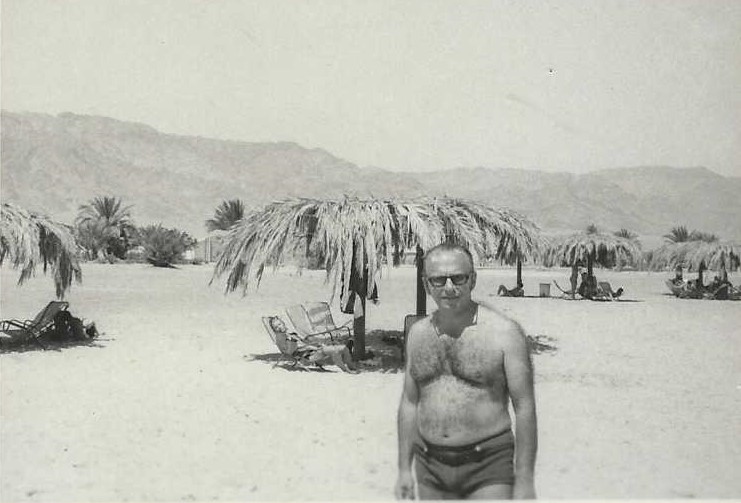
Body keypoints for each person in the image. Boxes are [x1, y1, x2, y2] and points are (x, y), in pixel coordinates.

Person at [396, 244, 537, 500]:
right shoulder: (417, 334)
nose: (449, 287)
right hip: (429, 464)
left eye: (458, 278)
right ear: (427, 285)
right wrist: (404, 468)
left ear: (472, 279)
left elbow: (524, 406)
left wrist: (525, 478)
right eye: (438, 280)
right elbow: (409, 401)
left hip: (488, 462)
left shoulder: (504, 333)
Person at [268, 316, 359, 374]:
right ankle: (346, 370)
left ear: (283, 322)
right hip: (308, 356)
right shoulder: (281, 338)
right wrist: (312, 347)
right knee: (334, 351)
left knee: (344, 348)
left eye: (279, 324)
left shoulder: (289, 334)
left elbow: (304, 343)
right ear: (275, 330)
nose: (279, 327)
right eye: (276, 327)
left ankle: (351, 366)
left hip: (313, 350)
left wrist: (315, 344)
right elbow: (290, 352)